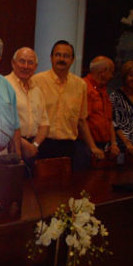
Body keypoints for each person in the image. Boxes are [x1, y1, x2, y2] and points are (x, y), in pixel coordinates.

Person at [34, 40, 102, 170]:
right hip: (43, 144)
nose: (61, 59)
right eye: (58, 55)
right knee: (41, 187)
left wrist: (93, 147)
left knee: (65, 187)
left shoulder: (80, 85)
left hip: (68, 146)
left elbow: (82, 120)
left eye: (66, 56)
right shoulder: (37, 81)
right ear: (51, 57)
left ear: (72, 60)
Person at [6, 47, 49, 164]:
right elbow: (2, 123)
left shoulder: (37, 90)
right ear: (13, 63)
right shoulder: (4, 85)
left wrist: (34, 145)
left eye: (30, 63)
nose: (26, 66)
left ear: (35, 67)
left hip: (33, 148)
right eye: (22, 61)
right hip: (11, 147)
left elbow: (44, 123)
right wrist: (22, 144)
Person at [83, 56, 120, 160]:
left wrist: (113, 143)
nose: (112, 76)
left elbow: (109, 120)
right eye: (111, 72)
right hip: (87, 146)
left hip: (103, 146)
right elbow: (82, 121)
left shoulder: (103, 89)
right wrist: (93, 147)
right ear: (103, 72)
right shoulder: (84, 87)